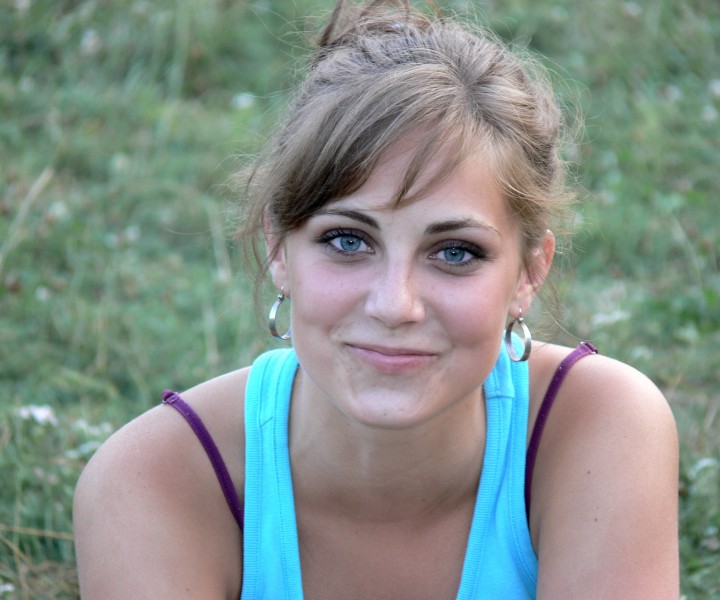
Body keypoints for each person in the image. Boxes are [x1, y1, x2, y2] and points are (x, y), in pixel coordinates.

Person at [73, 1, 680, 598]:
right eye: (347, 240)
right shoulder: (155, 481)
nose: (395, 305)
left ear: (528, 273)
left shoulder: (595, 430)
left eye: (455, 252)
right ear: (279, 250)